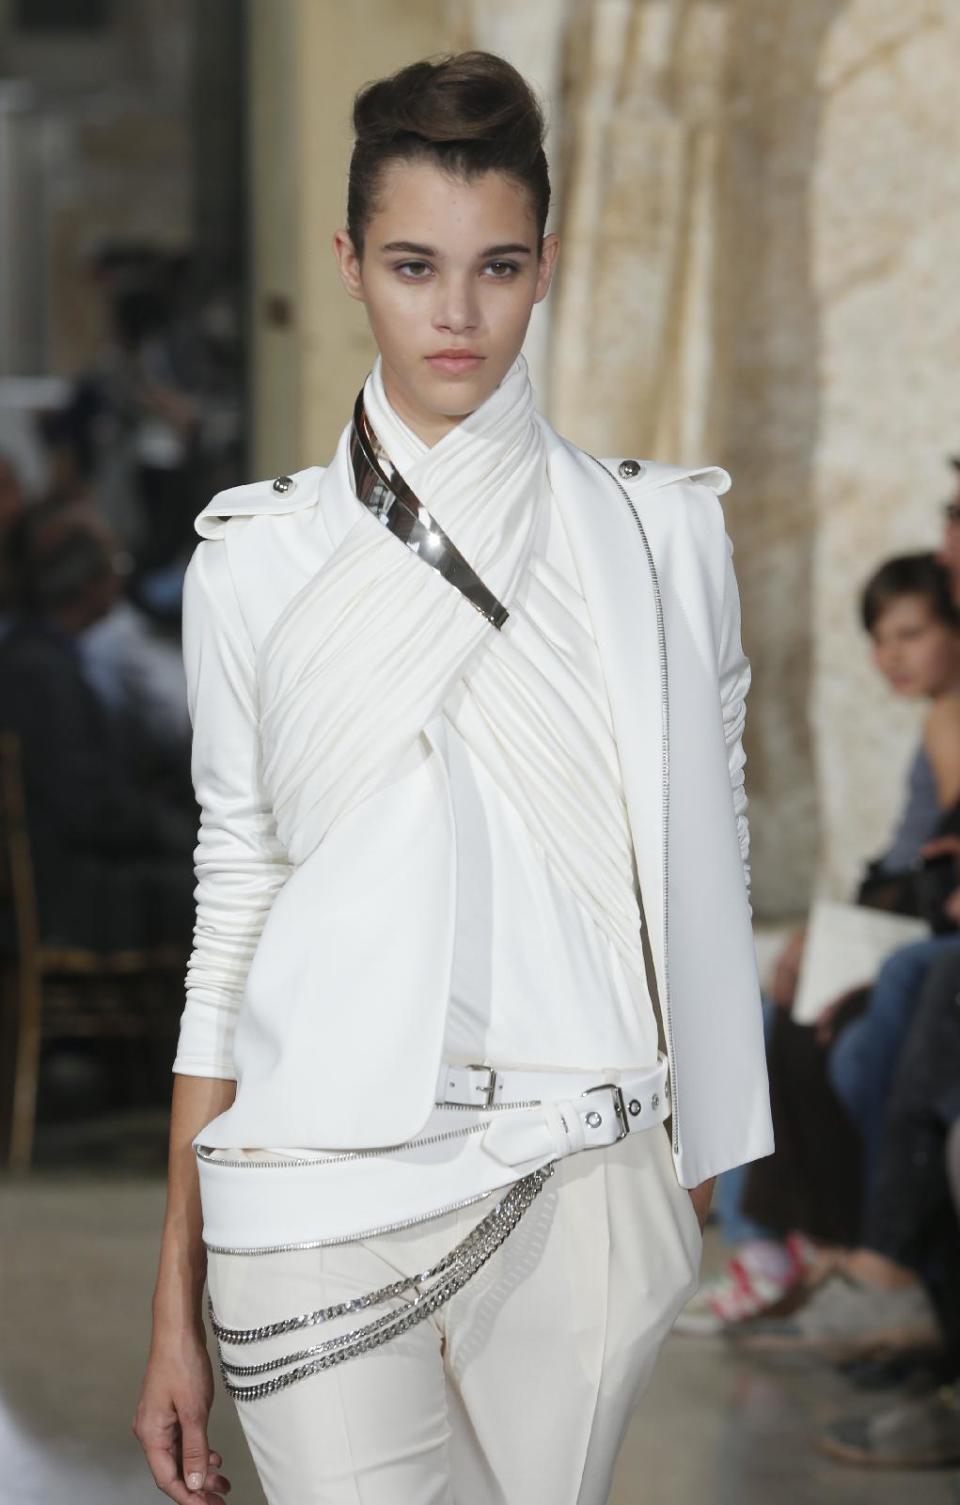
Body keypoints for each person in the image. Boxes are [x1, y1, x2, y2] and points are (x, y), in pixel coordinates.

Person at [133, 51, 772, 1505]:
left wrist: (696, 1145)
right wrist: (171, 1309)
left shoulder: (665, 538)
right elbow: (230, 919)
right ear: (350, 262)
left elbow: (703, 855)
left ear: (546, 265)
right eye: (416, 265)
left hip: (587, 1173)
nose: (457, 313)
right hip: (310, 1179)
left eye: (496, 267)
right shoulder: (256, 561)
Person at [682, 550, 960, 1333]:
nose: (892, 656)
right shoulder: (935, 720)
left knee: (800, 1022)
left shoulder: (950, 720)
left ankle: (784, 1247)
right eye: (881, 638)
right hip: (895, 921)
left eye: (912, 632)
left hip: (914, 932)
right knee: (776, 1009)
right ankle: (771, 1244)